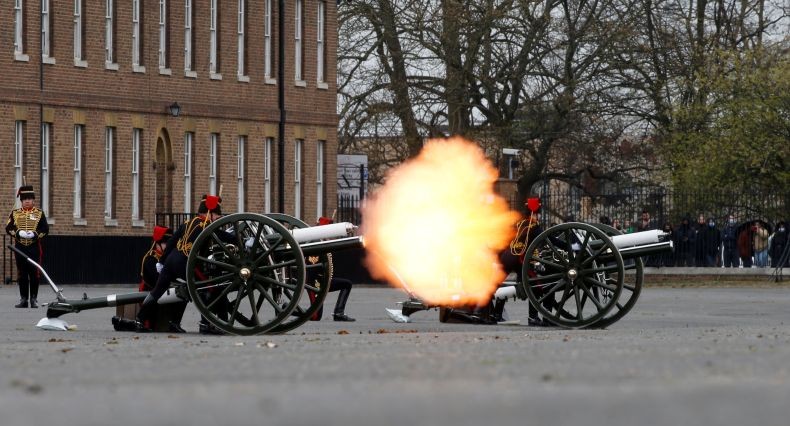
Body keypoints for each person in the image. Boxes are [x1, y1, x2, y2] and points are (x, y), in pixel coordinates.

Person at [136, 194, 228, 333]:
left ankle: (140, 319)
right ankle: (205, 324)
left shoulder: (187, 223)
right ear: (210, 213)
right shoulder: (206, 225)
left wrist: (161, 261)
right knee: (207, 287)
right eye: (217, 216)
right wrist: (238, 239)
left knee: (157, 291)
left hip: (171, 260)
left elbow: (172, 241)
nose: (218, 220)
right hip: (185, 262)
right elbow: (222, 236)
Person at [113, 226, 187, 332]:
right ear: (158, 244)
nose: (169, 246)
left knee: (183, 292)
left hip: (164, 291)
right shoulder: (150, 259)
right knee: (170, 292)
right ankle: (141, 320)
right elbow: (156, 281)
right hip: (150, 292)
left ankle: (174, 323)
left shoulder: (169, 258)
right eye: (165, 243)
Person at [6, 185, 49, 308]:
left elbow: (45, 229)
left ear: (33, 200)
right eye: (24, 199)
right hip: (20, 247)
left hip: (34, 247)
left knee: (34, 273)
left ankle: (34, 299)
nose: (27, 201)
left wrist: (35, 234)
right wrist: (18, 232)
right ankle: (23, 299)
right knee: (22, 273)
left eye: (29, 198)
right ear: (21, 201)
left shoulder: (39, 213)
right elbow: (9, 228)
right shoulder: (15, 213)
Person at [306, 216, 356, 322]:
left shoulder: (325, 242)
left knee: (347, 284)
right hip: (315, 284)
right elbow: (312, 268)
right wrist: (317, 289)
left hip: (325, 282)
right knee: (315, 317)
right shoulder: (315, 242)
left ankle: (339, 313)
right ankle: (287, 309)